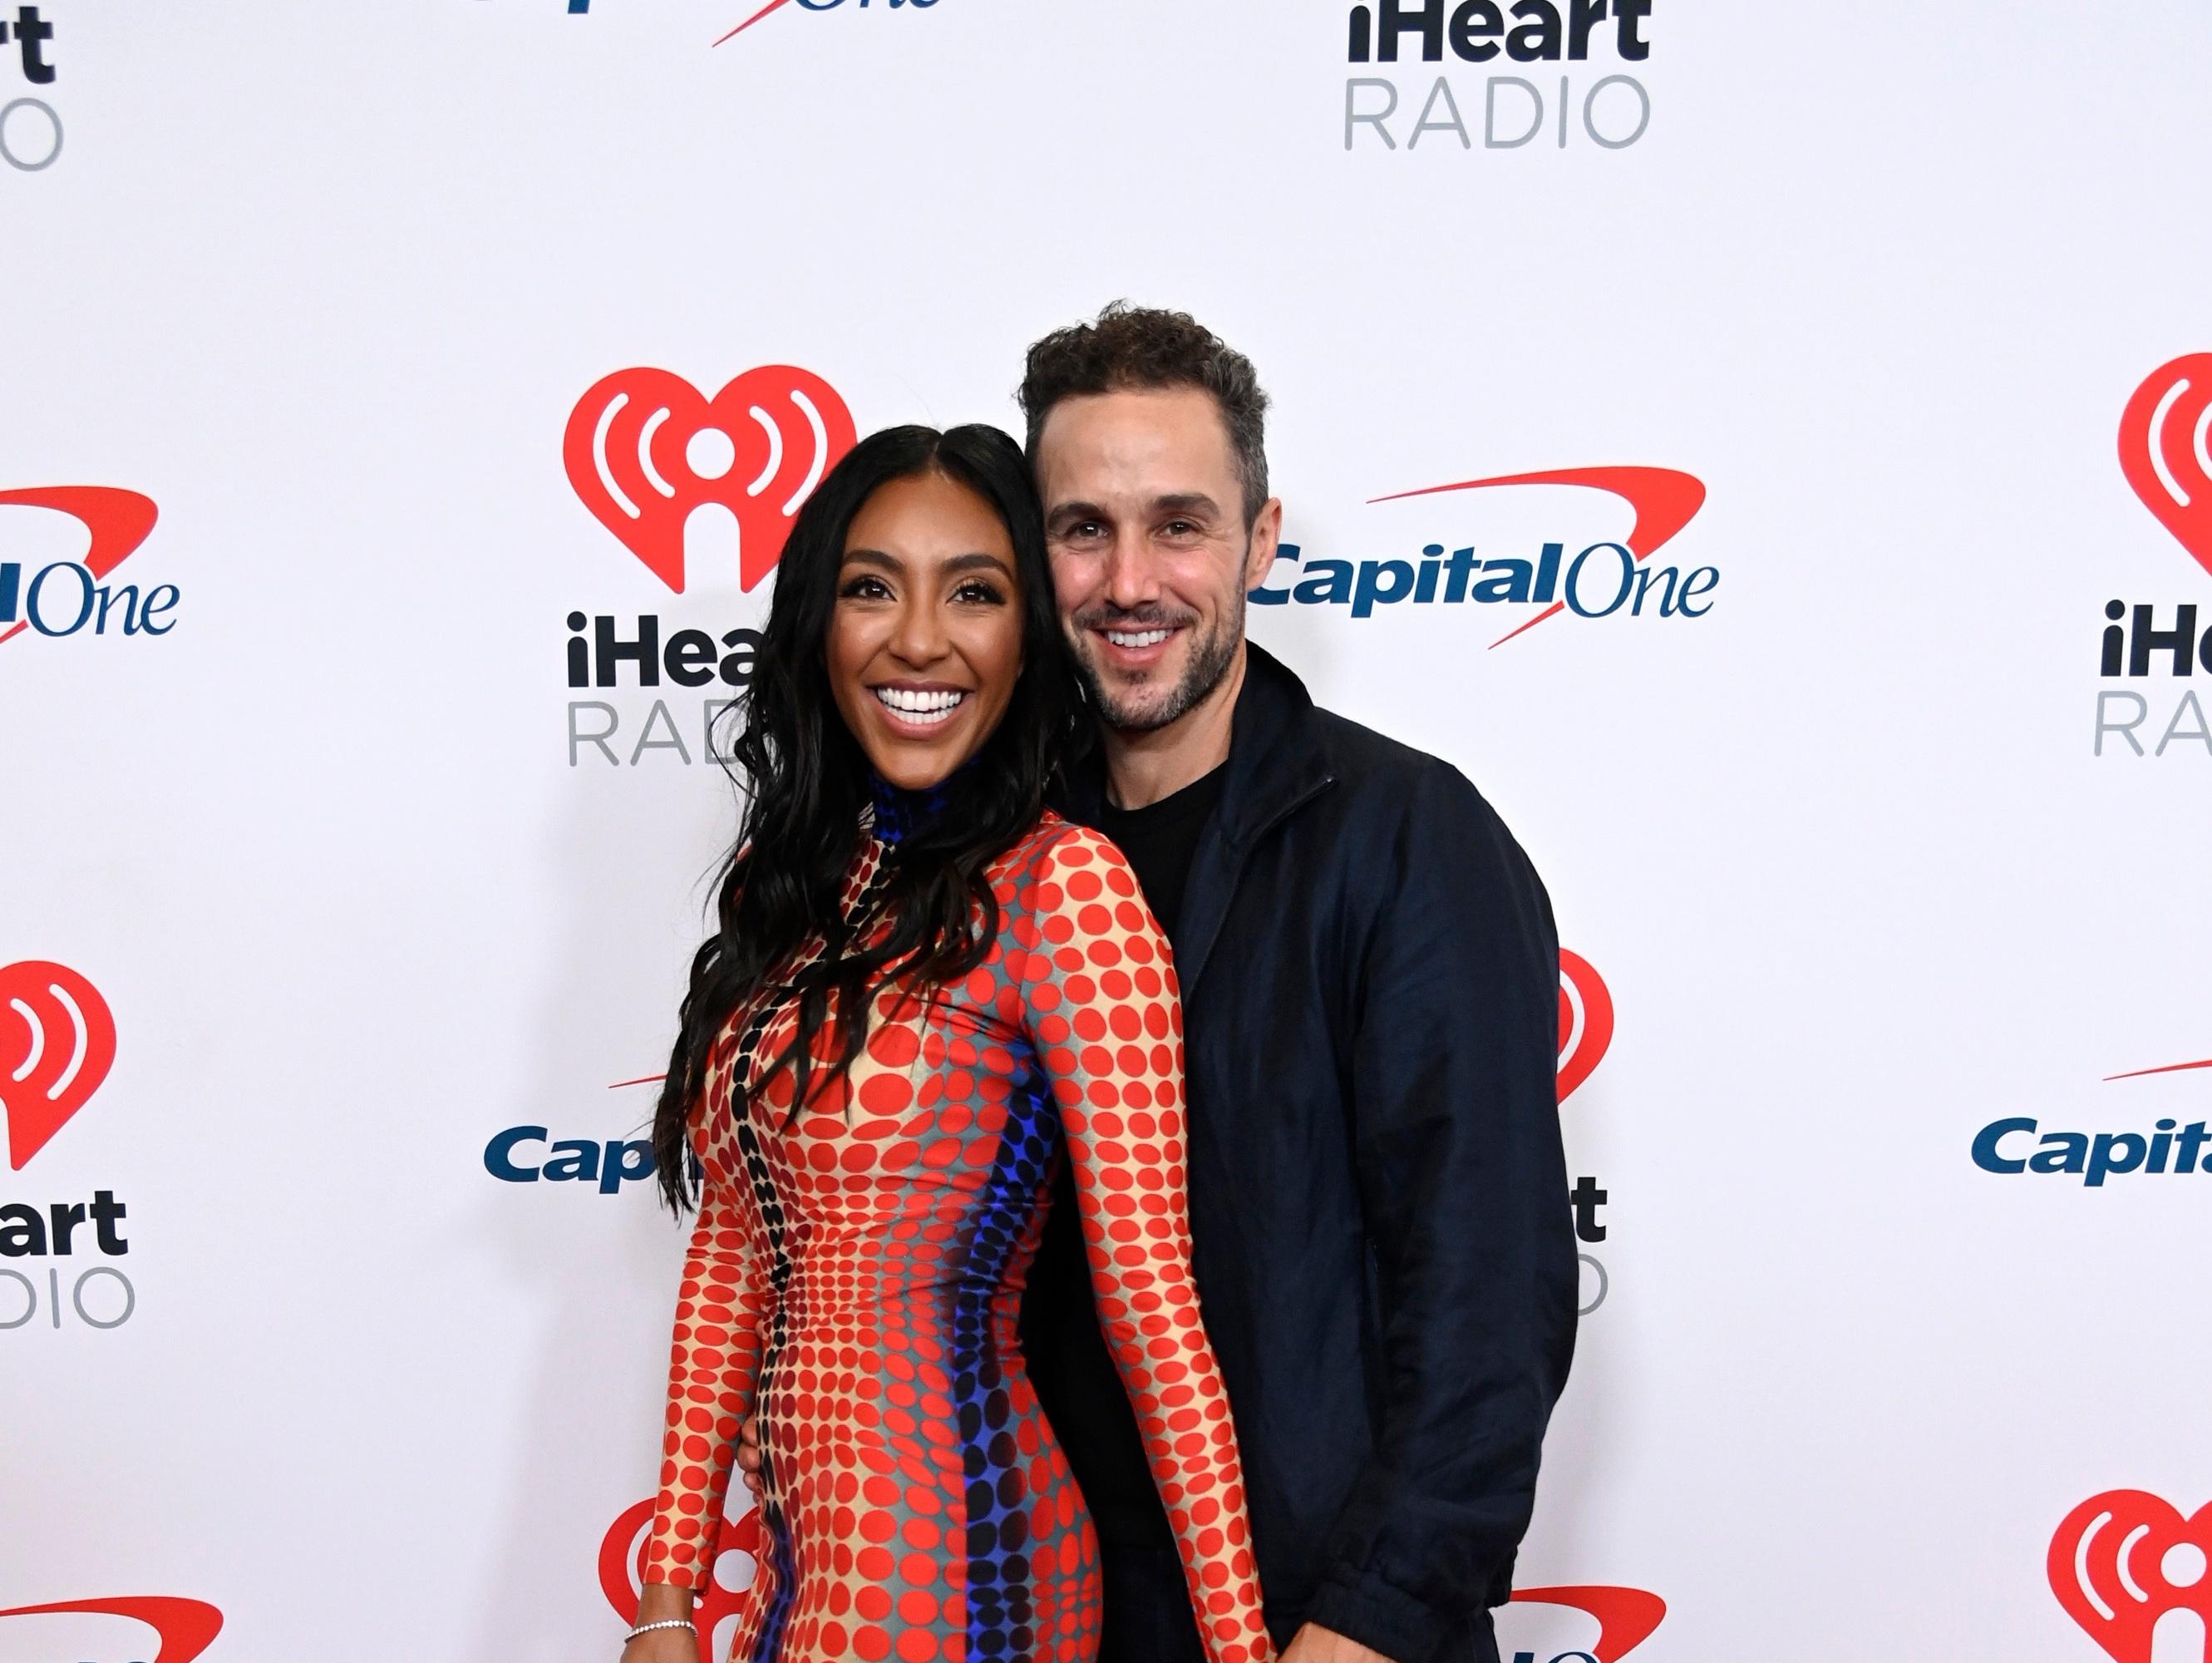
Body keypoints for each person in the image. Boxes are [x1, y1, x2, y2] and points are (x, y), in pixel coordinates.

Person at [741, 308, 1579, 1663]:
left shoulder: (1405, 838)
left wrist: (1357, 1630)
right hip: (1028, 1605)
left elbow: (1486, 1300)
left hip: (1308, 1617)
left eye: (1179, 525)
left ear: (1257, 540)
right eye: (1082, 530)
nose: (1131, 580)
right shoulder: (973, 858)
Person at [623, 423, 1274, 1663]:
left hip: (949, 1544)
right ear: (818, 620)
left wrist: (1238, 1650)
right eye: (873, 586)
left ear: (1026, 637)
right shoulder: (792, 884)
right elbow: (730, 1257)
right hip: (799, 1555)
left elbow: (1151, 1304)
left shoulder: (1062, 890)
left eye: (973, 592)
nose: (918, 638)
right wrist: (670, 1596)